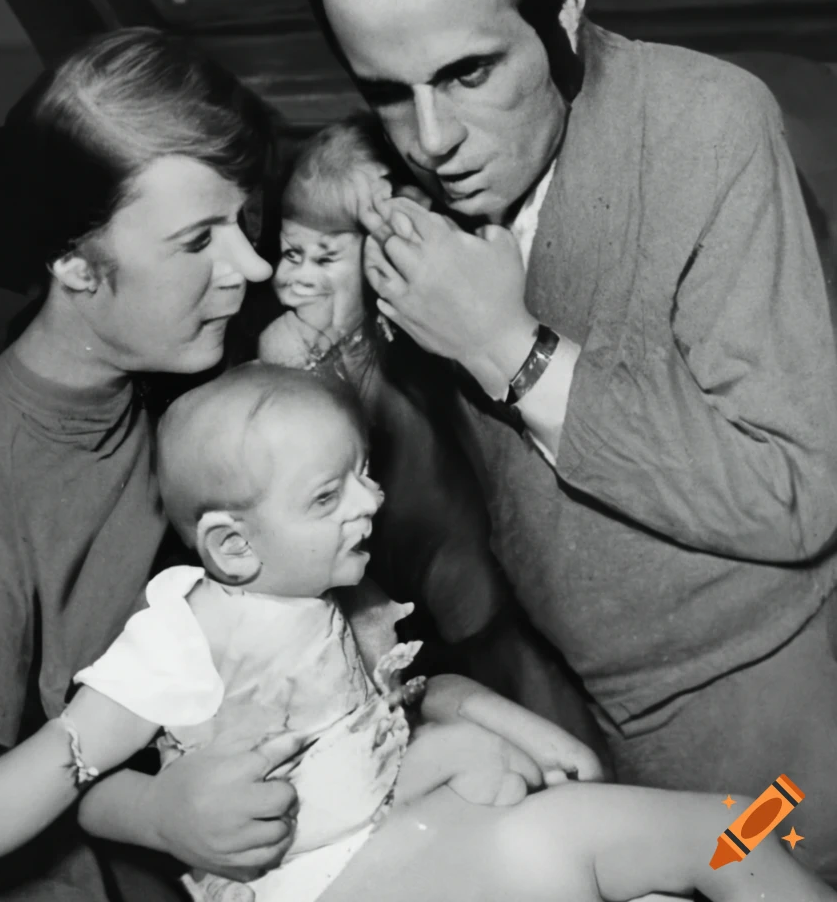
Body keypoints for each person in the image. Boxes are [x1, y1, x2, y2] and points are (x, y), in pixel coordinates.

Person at [302, 0, 837, 883]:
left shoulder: (710, 131)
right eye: (384, 90)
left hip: (778, 739)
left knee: (767, 868)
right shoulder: (382, 188)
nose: (430, 139)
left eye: (468, 72)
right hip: (553, 724)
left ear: (565, 6)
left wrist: (511, 347)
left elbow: (798, 493)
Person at [42, 363, 834, 902]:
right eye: (328, 496)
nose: (372, 502)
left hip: (417, 833)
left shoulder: (335, 590)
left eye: (363, 472)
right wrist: (160, 815)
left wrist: (484, 723)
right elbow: (79, 785)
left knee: (735, 829)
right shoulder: (186, 634)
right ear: (232, 546)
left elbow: (393, 709)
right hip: (346, 875)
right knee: (724, 832)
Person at [0, 27, 283, 902]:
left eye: (243, 220)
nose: (250, 266)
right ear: (73, 261)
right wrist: (116, 731)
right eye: (197, 242)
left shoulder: (176, 378)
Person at [256, 118, 608, 761]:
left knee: (518, 677)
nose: (295, 280)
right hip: (377, 575)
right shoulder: (290, 352)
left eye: (325, 258)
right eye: (290, 253)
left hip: (462, 554)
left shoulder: (411, 328)